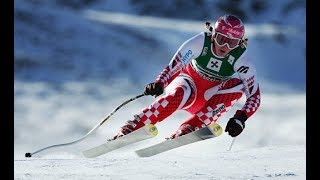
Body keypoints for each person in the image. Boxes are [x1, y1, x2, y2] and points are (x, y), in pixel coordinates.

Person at [112, 14, 261, 140]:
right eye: (221, 39)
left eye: (232, 43)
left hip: (210, 99)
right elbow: (176, 65)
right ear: (213, 34)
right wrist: (160, 83)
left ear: (240, 43)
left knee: (238, 85)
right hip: (189, 86)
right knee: (179, 94)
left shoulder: (241, 58)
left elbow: (254, 95)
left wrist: (241, 118)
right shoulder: (201, 42)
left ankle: (192, 126)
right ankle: (134, 126)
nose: (225, 47)